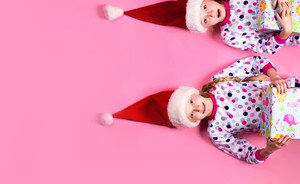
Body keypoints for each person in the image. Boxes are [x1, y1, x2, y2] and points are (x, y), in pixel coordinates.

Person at [100, 56, 295, 164]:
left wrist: (274, 76)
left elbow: (256, 62)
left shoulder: (219, 83)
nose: (196, 108)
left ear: (192, 94)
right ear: (192, 121)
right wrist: (269, 150)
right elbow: (247, 154)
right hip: (289, 121)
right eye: (191, 113)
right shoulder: (216, 132)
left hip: (291, 91)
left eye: (190, 102)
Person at [104, 0, 299, 54]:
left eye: (205, 7)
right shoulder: (229, 35)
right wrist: (286, 31)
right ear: (207, 26)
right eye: (205, 19)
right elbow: (263, 47)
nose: (210, 13)